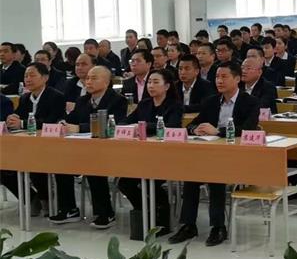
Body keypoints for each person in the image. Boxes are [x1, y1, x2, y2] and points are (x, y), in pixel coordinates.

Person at [171, 62, 260, 246]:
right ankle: (188, 225)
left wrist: (218, 131)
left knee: (216, 176)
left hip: (237, 156)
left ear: (237, 79)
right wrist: (195, 129)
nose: (219, 80)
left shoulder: (250, 102)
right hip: (210, 155)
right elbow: (191, 125)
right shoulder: (211, 101)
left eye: (224, 77)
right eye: (217, 77)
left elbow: (248, 129)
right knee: (191, 176)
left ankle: (218, 227)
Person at [1, 63, 71, 219]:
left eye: (32, 75)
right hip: (25, 145)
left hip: (50, 146)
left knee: (36, 165)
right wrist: (12, 119)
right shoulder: (25, 98)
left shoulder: (56, 96)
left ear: (45, 78)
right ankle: (32, 198)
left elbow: (51, 121)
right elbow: (18, 117)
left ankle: (45, 199)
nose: (28, 79)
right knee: (4, 169)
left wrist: (22, 123)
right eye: (26, 76)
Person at [117, 69, 183, 235]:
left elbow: (171, 127)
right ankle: (146, 211)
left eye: (156, 82)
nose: (151, 86)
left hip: (166, 157)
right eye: (149, 82)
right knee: (124, 183)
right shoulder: (144, 104)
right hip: (143, 157)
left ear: (167, 86)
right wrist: (127, 127)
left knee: (151, 181)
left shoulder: (175, 105)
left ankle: (163, 218)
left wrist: (143, 126)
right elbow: (126, 121)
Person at [64, 65, 128, 229]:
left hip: (109, 150)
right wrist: (63, 124)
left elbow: (113, 125)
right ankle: (69, 209)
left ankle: (105, 213)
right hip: (82, 148)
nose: (88, 82)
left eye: (94, 78)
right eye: (87, 78)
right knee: (60, 163)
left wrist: (79, 128)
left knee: (93, 165)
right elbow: (71, 121)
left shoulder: (117, 100)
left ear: (106, 82)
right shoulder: (82, 100)